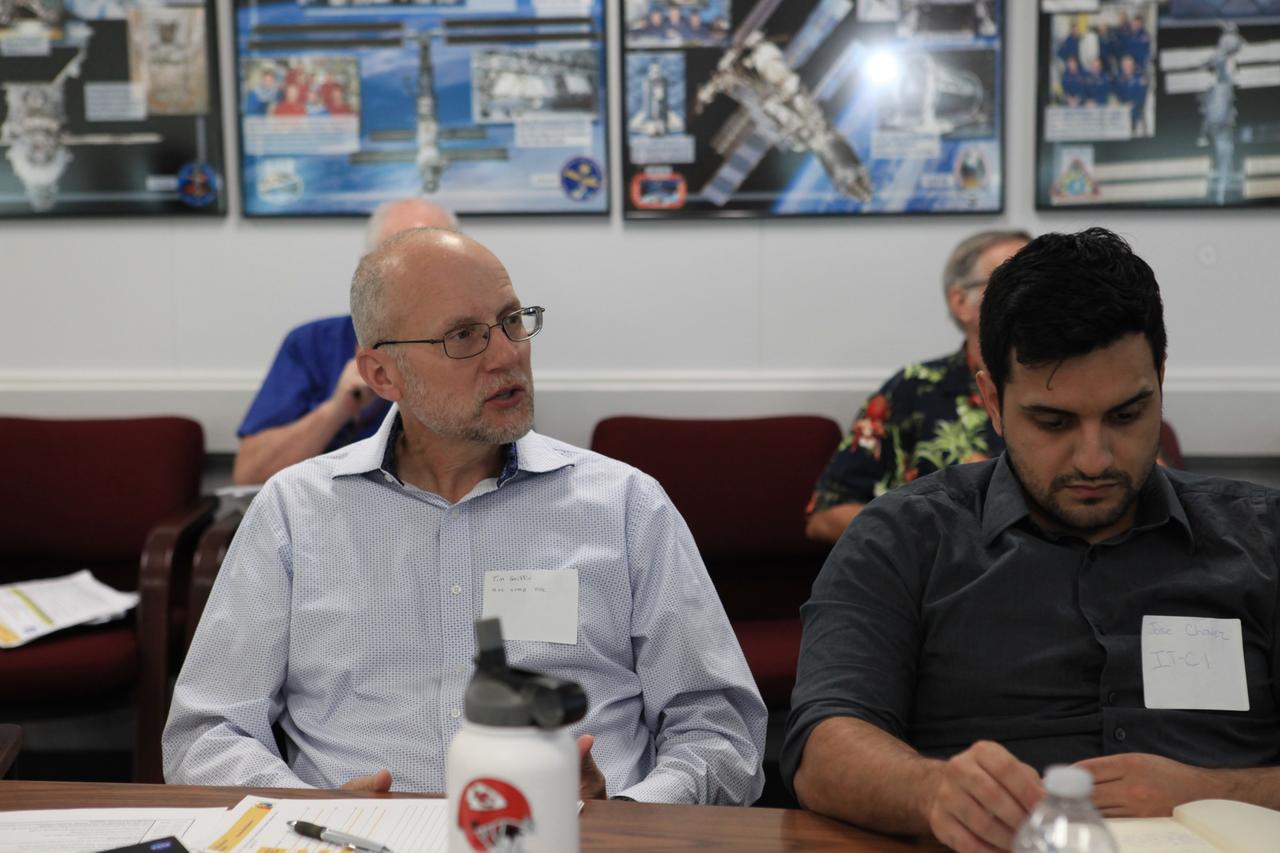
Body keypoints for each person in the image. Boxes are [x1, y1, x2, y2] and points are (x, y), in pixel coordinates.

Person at [165, 228, 767, 804]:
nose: (507, 355)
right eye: (462, 336)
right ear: (382, 374)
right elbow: (208, 734)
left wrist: (633, 811)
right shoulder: (296, 511)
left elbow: (719, 729)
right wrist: (314, 810)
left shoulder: (625, 505)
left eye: (512, 321)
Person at [784, 227, 1280, 853]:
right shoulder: (904, 539)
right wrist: (930, 791)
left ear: (1160, 379)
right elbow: (824, 747)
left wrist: (1211, 793)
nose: (1095, 458)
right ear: (993, 401)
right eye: (1053, 421)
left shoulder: (1263, 538)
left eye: (1127, 415)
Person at [804, 229, 1031, 545]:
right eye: (1011, 283)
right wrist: (927, 541)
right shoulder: (912, 390)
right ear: (960, 301)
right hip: (938, 579)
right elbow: (827, 514)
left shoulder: (1073, 387)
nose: (1033, 297)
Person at [232, 198, 458, 486]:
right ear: (367, 271)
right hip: (325, 521)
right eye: (401, 261)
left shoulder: (483, 345)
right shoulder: (312, 345)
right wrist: (338, 409)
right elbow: (249, 477)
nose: (419, 279)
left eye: (435, 261)